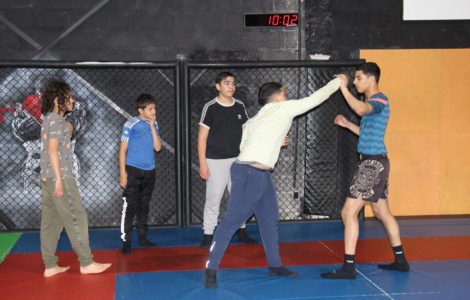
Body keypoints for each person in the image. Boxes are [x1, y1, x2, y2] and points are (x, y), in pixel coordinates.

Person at [204, 77, 342, 288]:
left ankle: (275, 264)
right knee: (231, 221)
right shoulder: (282, 108)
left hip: (259, 174)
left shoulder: (256, 119)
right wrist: (338, 82)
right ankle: (211, 268)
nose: (286, 96)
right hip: (249, 173)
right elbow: (316, 98)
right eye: (284, 93)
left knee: (269, 219)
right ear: (278, 96)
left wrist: (277, 141)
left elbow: (244, 145)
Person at [321, 62, 410, 280]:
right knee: (381, 212)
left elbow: (360, 109)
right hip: (377, 162)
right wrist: (347, 125)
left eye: (359, 78)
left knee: (348, 212)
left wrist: (343, 87)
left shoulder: (379, 99)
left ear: (371, 78)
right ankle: (400, 260)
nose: (356, 82)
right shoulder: (373, 103)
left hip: (372, 165)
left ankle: (349, 267)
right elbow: (367, 131)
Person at [40, 79, 111, 277]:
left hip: (47, 177)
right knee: (76, 216)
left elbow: (55, 145)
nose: (72, 100)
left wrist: (68, 131)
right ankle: (86, 263)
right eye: (68, 97)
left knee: (52, 221)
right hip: (59, 176)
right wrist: (61, 180)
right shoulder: (55, 120)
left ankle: (50, 265)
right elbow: (53, 151)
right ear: (57, 100)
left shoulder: (51, 119)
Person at [198, 71, 256, 249]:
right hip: (215, 160)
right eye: (227, 83)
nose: (231, 86)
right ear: (218, 87)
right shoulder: (210, 107)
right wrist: (203, 163)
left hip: (238, 160)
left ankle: (241, 230)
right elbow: (202, 137)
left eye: (233, 83)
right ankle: (208, 235)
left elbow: (247, 131)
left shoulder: (239, 106)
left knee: (238, 197)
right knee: (213, 198)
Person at [119, 94, 162, 254]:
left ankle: (143, 237)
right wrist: (123, 173)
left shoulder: (154, 123)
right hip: (133, 170)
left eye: (154, 108)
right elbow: (123, 150)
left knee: (144, 205)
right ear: (141, 110)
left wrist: (152, 127)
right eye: (150, 109)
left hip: (150, 170)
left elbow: (157, 148)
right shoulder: (131, 123)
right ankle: (126, 240)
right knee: (130, 205)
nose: (154, 111)